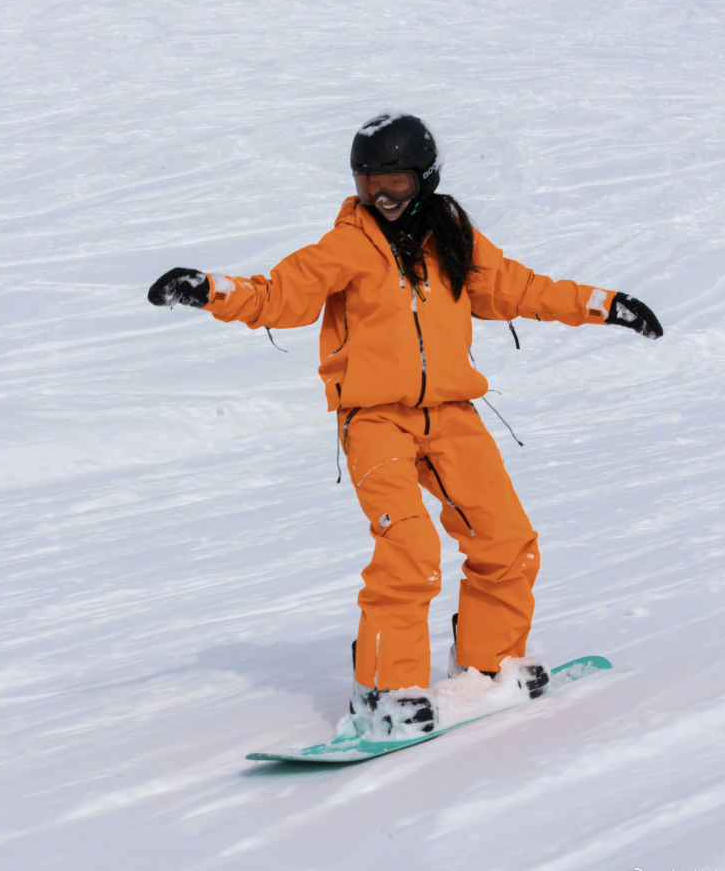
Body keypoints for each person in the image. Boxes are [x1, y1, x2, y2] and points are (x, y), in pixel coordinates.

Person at [148, 113, 663, 739]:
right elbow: (279, 295)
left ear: (424, 179)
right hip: (374, 421)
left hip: (450, 414)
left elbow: (520, 289)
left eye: (394, 183)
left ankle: (489, 663)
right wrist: (209, 289)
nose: (382, 198)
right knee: (409, 548)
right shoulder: (346, 246)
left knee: (506, 538)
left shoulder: (453, 238)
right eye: (369, 185)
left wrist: (603, 305)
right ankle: (385, 689)